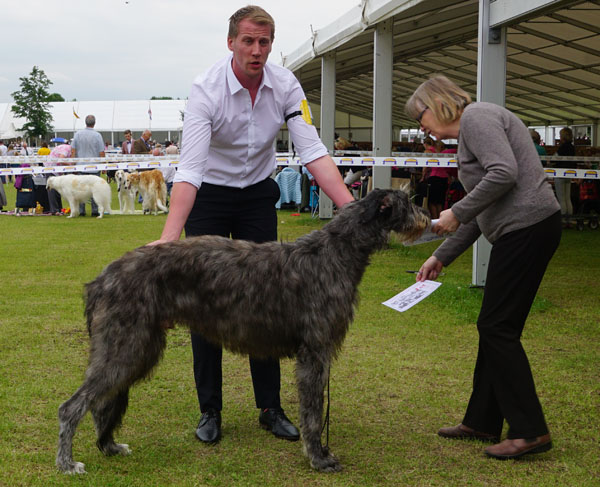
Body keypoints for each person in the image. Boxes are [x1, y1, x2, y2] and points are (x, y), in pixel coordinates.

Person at [149, 5, 354, 445]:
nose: (257, 50)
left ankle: (270, 407)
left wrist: (350, 207)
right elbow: (189, 168)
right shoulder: (206, 89)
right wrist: (168, 240)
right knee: (204, 307)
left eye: (264, 42)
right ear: (231, 43)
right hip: (209, 196)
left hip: (257, 197)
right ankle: (210, 411)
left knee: (269, 303)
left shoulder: (286, 86)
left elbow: (313, 151)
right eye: (248, 41)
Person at [405, 75, 561, 460]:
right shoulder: (472, 130)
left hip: (527, 230)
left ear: (436, 103)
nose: (420, 125)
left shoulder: (478, 118)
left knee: (497, 327)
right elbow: (484, 209)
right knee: (496, 326)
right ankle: (482, 420)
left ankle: (529, 431)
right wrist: (441, 256)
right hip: (519, 231)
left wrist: (455, 210)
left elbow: (503, 174)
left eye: (419, 115)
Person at [71, 115, 105, 216]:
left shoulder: (77, 134)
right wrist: (103, 166)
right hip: (95, 168)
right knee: (95, 189)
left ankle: (82, 211)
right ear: (94, 123)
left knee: (81, 189)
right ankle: (95, 211)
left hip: (81, 167)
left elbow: (73, 150)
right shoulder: (98, 135)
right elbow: (101, 152)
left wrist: (73, 164)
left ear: (85, 123)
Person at [554, 126, 575, 226]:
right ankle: (569, 219)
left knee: (561, 198)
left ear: (563, 136)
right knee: (567, 197)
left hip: (560, 173)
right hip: (569, 174)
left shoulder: (562, 147)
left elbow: (555, 158)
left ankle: (562, 219)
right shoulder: (572, 147)